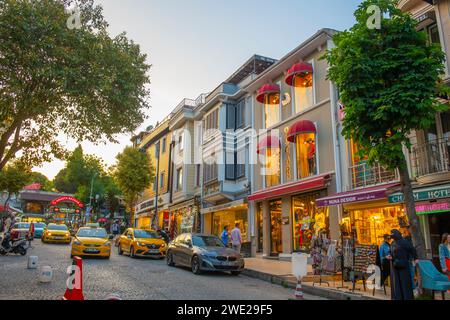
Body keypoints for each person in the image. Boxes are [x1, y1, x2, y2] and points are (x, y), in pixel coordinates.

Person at [387, 229, 418, 300]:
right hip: (395, 266)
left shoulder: (404, 242)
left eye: (393, 235)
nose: (392, 236)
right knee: (397, 284)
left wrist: (415, 258)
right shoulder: (393, 243)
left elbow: (412, 249)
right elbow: (390, 251)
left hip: (404, 265)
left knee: (405, 283)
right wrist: (389, 255)